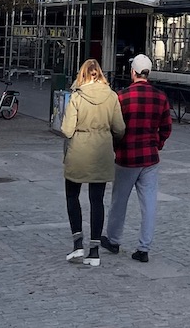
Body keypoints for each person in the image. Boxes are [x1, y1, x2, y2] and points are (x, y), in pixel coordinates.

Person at [101, 54, 172, 264]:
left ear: (133, 72)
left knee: (119, 202)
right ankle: (144, 248)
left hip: (126, 157)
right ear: (149, 73)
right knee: (149, 204)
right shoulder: (160, 97)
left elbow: (114, 127)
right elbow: (167, 128)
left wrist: (116, 147)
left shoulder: (121, 97)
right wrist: (156, 144)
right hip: (150, 158)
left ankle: (113, 240)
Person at [59, 58, 125, 267]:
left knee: (72, 196)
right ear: (100, 75)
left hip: (79, 150)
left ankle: (77, 243)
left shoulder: (77, 97)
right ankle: (94, 250)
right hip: (102, 151)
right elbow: (120, 127)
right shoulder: (112, 96)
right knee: (97, 200)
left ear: (83, 75)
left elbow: (67, 129)